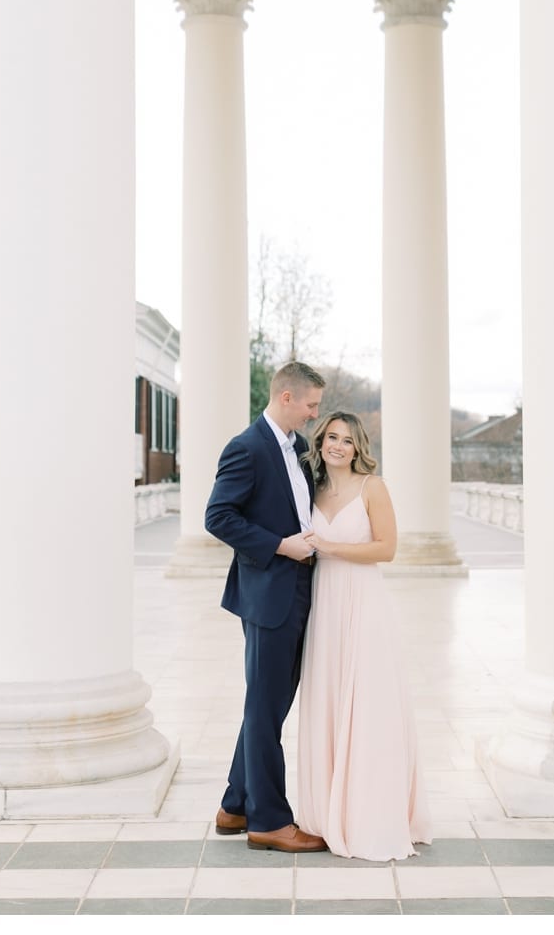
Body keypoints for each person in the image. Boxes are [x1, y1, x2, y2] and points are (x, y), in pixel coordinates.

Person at [295, 410, 432, 860]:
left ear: (359, 448)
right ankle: (326, 813)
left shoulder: (373, 487)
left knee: (368, 704)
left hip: (363, 601)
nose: (337, 445)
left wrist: (331, 547)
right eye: (331, 437)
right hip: (324, 604)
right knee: (328, 700)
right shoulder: (310, 487)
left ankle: (369, 813)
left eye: (347, 440)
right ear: (320, 441)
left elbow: (387, 549)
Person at [204, 361, 329, 852]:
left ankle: (235, 805)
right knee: (264, 708)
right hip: (268, 594)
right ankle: (270, 821)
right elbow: (218, 517)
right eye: (311, 405)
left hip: (299, 588)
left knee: (268, 705)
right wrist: (280, 545)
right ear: (286, 399)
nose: (314, 414)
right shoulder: (247, 448)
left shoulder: (298, 448)